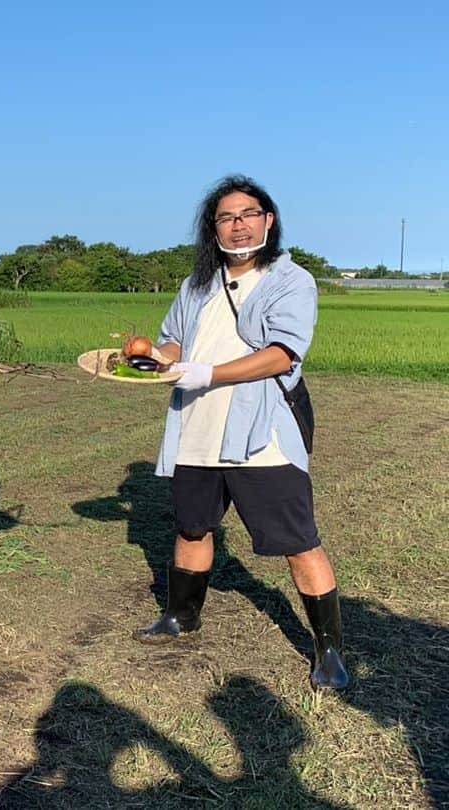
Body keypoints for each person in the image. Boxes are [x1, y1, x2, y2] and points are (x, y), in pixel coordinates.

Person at [132, 175, 348, 690]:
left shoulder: (291, 280)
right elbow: (174, 346)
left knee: (298, 540)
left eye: (249, 214)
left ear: (268, 220)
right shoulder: (196, 285)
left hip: (260, 432)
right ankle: (182, 615)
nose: (239, 225)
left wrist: (210, 371)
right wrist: (148, 357)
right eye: (226, 217)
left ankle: (329, 651)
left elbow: (282, 354)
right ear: (213, 229)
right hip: (197, 428)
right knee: (191, 526)